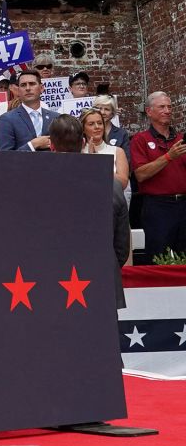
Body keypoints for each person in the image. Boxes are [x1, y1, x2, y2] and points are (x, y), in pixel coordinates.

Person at [50, 114, 130, 306]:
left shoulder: (38, 186)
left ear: (51, 145)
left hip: (52, 279)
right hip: (101, 275)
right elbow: (121, 243)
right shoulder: (112, 184)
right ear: (83, 142)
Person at [129, 92, 186, 261]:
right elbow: (140, 175)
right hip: (158, 208)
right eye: (162, 107)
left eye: (169, 107)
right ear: (149, 111)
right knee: (159, 257)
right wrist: (169, 156)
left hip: (184, 205)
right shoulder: (140, 139)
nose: (167, 110)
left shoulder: (182, 139)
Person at [0, 69, 59, 151]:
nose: (28, 88)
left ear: (42, 88)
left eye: (32, 84)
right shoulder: (7, 119)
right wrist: (32, 145)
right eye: (23, 85)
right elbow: (3, 157)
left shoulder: (55, 118)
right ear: (18, 90)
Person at [80, 107, 130, 193]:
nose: (97, 127)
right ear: (83, 129)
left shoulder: (117, 151)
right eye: (91, 124)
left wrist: (97, 162)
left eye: (99, 123)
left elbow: (123, 183)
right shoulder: (78, 152)